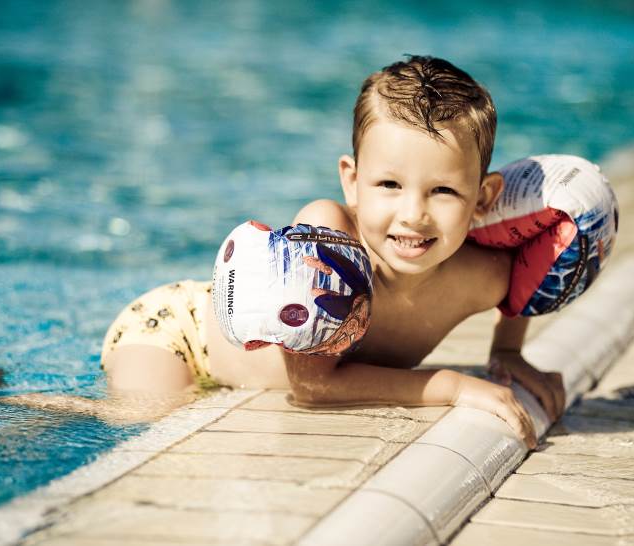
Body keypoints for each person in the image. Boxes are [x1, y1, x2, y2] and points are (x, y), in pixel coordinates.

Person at [99, 56, 566, 447]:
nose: (413, 214)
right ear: (352, 181)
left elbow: (518, 286)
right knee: (144, 420)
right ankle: (54, 410)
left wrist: (508, 352)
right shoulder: (329, 240)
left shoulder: (482, 277)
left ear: (483, 198)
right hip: (175, 332)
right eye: (389, 184)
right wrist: (452, 385)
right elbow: (313, 386)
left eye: (442, 190)